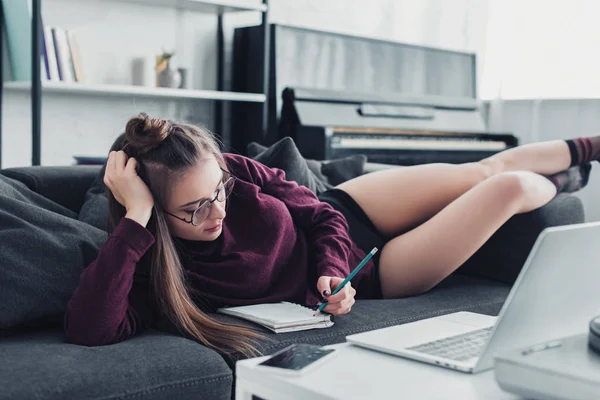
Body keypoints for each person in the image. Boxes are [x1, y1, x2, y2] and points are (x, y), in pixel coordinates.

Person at [64, 113, 594, 356]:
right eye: (196, 210)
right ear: (154, 210)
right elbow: (90, 329)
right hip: (384, 273)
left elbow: (319, 212)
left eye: (220, 189)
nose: (218, 210)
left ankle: (581, 156)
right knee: (507, 190)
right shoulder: (149, 261)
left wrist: (332, 269)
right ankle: (557, 183)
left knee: (483, 170)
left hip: (347, 218)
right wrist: (134, 220)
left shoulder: (225, 170)